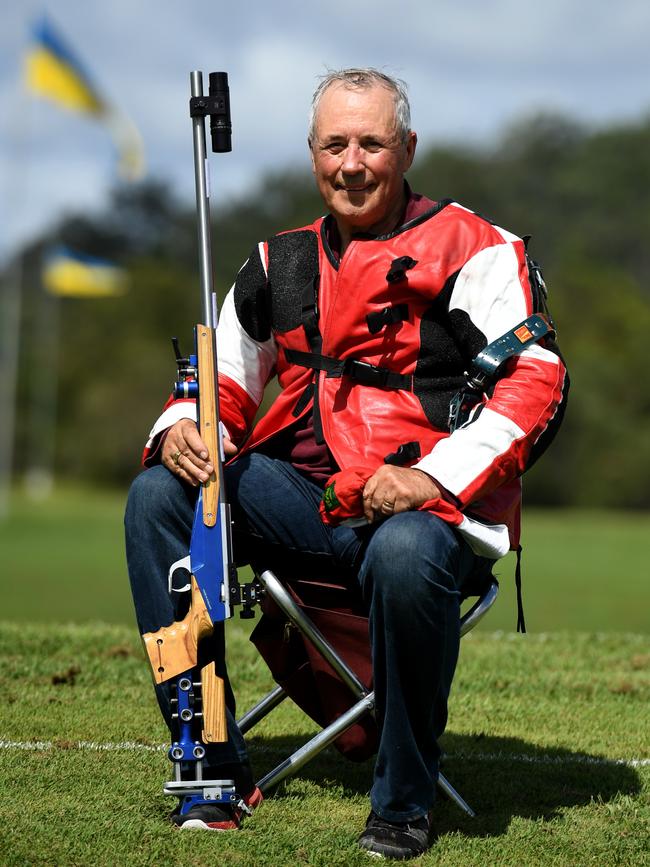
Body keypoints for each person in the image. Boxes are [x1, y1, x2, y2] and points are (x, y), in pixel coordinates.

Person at [125, 68, 568, 859]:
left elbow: (538, 378)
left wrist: (431, 478)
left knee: (404, 547)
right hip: (304, 502)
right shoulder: (277, 263)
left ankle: (402, 802)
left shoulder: (477, 249)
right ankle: (209, 767)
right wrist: (182, 430)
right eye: (335, 144)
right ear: (312, 154)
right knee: (159, 493)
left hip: (430, 521)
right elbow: (221, 382)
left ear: (408, 149)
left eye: (372, 142)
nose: (353, 162)